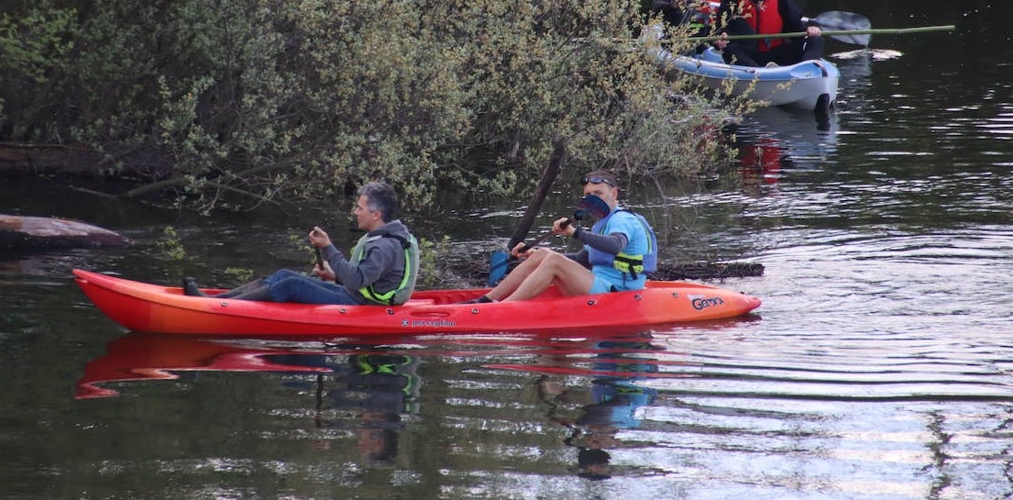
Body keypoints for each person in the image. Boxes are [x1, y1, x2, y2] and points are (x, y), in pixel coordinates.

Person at [182, 181, 419, 305]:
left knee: (291, 286)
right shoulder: (382, 237)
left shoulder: (384, 246)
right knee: (284, 274)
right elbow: (362, 278)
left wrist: (328, 247)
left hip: (363, 305)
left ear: (376, 214)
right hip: (356, 295)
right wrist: (333, 276)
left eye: (359, 207)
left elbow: (357, 280)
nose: (355, 212)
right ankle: (215, 301)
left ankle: (218, 309)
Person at [475, 170, 658, 303]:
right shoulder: (600, 223)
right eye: (588, 194)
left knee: (554, 260)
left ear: (614, 193)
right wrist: (535, 255)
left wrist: (574, 232)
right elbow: (581, 260)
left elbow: (616, 245)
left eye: (598, 193)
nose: (592, 198)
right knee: (543, 254)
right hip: (601, 286)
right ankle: (486, 300)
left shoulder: (622, 219)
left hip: (618, 293)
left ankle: (504, 308)